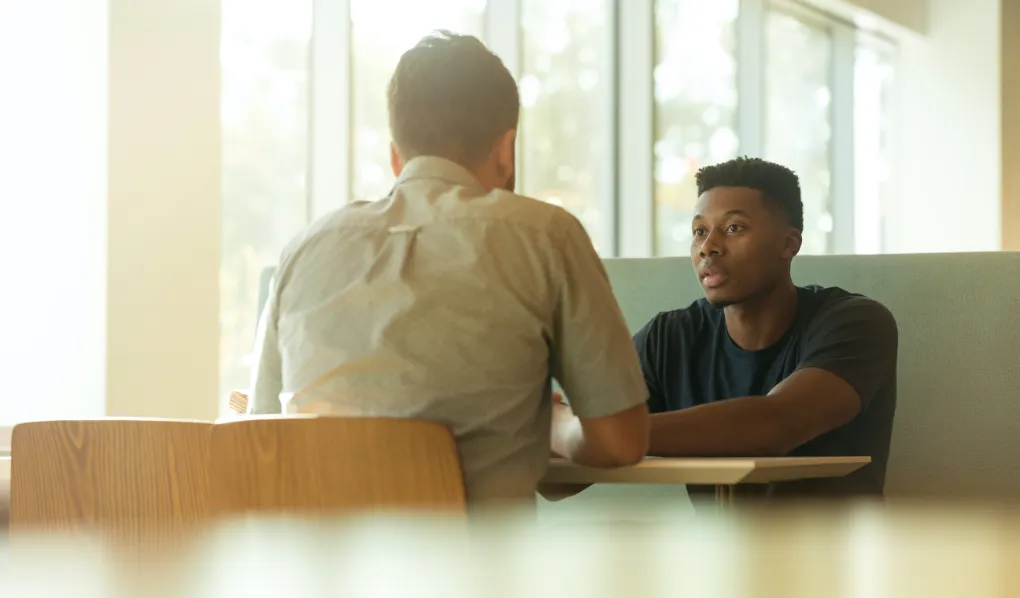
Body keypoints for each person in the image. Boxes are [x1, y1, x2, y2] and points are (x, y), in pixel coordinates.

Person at [247, 31, 649, 507]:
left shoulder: (304, 249)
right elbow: (620, 442)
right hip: (476, 575)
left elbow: (258, 437)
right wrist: (556, 426)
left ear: (397, 157)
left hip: (315, 576)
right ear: (506, 150)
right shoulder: (546, 235)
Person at [634, 157, 898, 500]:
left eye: (733, 228)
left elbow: (774, 426)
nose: (707, 247)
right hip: (719, 551)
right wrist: (564, 430)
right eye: (699, 231)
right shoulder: (668, 338)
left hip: (836, 551)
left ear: (789, 244)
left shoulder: (856, 323)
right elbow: (560, 483)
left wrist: (598, 433)